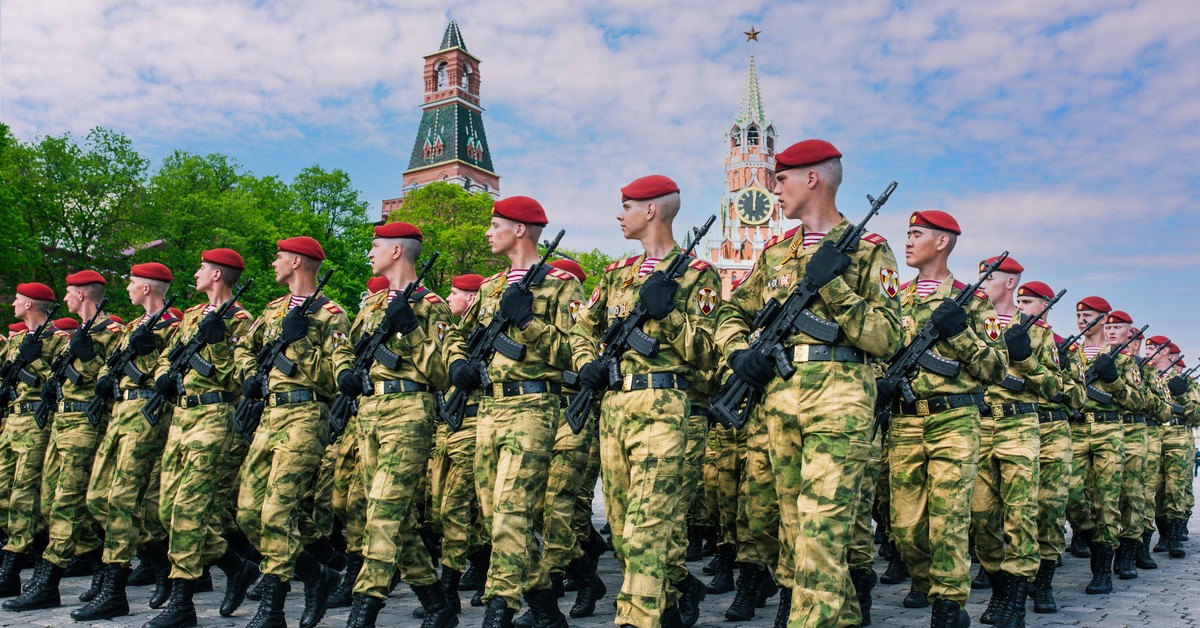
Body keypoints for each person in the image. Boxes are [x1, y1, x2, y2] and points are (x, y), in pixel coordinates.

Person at [714, 141, 904, 627]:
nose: (774, 189)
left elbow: (886, 337)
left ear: (812, 179)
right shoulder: (778, 253)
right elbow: (732, 311)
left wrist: (833, 286)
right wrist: (737, 352)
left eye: (782, 180)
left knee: (823, 531)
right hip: (781, 401)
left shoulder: (868, 250)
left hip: (840, 399)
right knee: (796, 530)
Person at [570, 174, 719, 627]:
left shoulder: (697, 274)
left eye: (627, 206)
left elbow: (709, 352)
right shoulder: (616, 274)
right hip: (615, 408)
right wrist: (586, 362)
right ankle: (668, 607)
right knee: (622, 534)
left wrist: (668, 315)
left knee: (646, 532)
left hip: (664, 406)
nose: (620, 215)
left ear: (651, 210)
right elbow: (583, 328)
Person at [444, 196, 583, 628]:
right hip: (489, 408)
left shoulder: (561, 285)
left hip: (534, 407)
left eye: (495, 225)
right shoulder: (490, 287)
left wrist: (528, 323)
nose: (488, 233)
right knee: (496, 518)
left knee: (511, 515)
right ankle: (546, 611)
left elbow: (578, 353)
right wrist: (457, 363)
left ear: (520, 230)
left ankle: (498, 610)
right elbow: (456, 336)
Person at [881, 211, 1007, 627]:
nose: (907, 241)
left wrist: (960, 333)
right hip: (904, 423)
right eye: (907, 234)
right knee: (905, 527)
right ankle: (926, 582)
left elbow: (996, 368)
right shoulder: (895, 298)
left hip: (954, 421)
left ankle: (949, 607)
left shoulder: (973, 302)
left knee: (949, 520)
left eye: (916, 234)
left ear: (942, 242)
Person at [341, 222, 456, 628]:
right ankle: (439, 607)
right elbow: (347, 351)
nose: (369, 253)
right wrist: (345, 372)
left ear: (396, 252)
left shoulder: (431, 306)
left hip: (409, 410)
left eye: (375, 246)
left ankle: (364, 609)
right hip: (370, 412)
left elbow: (443, 373)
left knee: (382, 514)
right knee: (397, 519)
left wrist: (410, 329)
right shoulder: (371, 305)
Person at [237, 236, 355, 628]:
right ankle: (316, 573)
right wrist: (250, 376)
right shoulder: (272, 311)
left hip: (306, 414)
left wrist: (301, 343)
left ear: (298, 262)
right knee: (248, 511)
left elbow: (337, 376)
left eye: (280, 257)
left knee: (277, 512)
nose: (274, 263)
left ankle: (272, 609)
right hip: (270, 415)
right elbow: (244, 348)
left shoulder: (331, 314)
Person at [143, 248, 260, 628]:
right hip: (182, 418)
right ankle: (235, 566)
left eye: (202, 268)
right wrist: (163, 375)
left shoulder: (240, 321)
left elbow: (241, 378)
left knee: (188, 511)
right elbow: (169, 355)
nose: (196, 273)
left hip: (215, 417)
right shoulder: (192, 316)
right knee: (167, 511)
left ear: (218, 275)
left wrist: (220, 345)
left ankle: (183, 602)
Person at [5, 270, 123, 612]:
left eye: (70, 292)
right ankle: (100, 567)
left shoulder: (112, 333)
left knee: (66, 505)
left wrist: (86, 357)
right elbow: (55, 379)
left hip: (86, 423)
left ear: (82, 295)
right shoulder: (76, 334)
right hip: (60, 422)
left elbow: (109, 380)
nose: (65, 298)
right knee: (48, 503)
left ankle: (48, 582)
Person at [71, 263, 181, 621]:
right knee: (97, 497)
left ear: (147, 288)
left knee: (121, 499)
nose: (128, 287)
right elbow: (110, 366)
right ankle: (158, 559)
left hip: (148, 412)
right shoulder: (133, 327)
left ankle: (114, 589)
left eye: (133, 282)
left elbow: (170, 372)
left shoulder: (173, 326)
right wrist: (100, 372)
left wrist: (147, 354)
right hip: (120, 412)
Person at [972, 257, 1057, 627]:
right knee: (981, 517)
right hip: (978, 424)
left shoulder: (1037, 332)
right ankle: (1000, 587)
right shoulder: (971, 322)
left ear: (1011, 283)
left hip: (1019, 425)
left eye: (989, 277)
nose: (981, 283)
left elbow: (1055, 388)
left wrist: (1025, 360)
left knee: (1021, 513)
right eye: (980, 277)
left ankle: (1015, 600)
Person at [1015, 281, 1080, 614]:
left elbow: (1077, 396)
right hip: (1014, 427)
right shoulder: (1002, 335)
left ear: (1046, 305)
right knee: (1014, 509)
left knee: (1049, 509)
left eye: (1028, 301)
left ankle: (1043, 584)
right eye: (1018, 300)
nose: (1021, 306)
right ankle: (1010, 577)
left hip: (1052, 429)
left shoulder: (1061, 345)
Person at [0, 283, 65, 597]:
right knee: (3, 492)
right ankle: (28, 548)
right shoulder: (17, 340)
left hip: (37, 422)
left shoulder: (58, 340)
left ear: (29, 304)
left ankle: (14, 566)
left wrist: (36, 361)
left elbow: (64, 381)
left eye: (17, 299)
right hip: (12, 420)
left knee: (24, 496)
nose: (13, 303)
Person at [430, 272, 489, 613]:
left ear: (471, 298)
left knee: (455, 511)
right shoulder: (456, 334)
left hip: (474, 425)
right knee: (439, 512)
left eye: (455, 293)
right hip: (449, 426)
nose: (449, 298)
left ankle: (448, 592)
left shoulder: (485, 332)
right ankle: (486, 569)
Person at [1062, 296, 1129, 594]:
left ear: (1103, 319)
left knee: (1106, 500)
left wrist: (1113, 379)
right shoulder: (1069, 354)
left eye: (1087, 316)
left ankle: (1102, 569)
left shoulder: (1121, 358)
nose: (1081, 321)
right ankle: (1092, 540)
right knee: (1072, 497)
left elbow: (1138, 401)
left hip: (1108, 430)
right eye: (1079, 316)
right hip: (1075, 429)